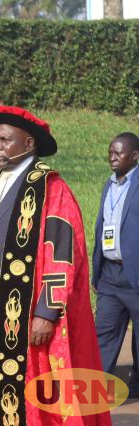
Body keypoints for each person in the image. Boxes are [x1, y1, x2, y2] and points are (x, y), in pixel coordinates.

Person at [0, 106, 110, 425]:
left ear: (29, 145)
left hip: (22, 311)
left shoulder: (51, 188)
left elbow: (63, 254)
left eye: (6, 139)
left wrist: (46, 311)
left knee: (22, 391)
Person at [92, 132, 139, 397]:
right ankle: (97, 389)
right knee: (104, 334)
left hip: (136, 274)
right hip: (110, 275)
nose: (112, 157)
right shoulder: (109, 184)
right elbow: (103, 227)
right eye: (110, 152)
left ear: (135, 156)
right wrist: (97, 271)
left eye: (118, 153)